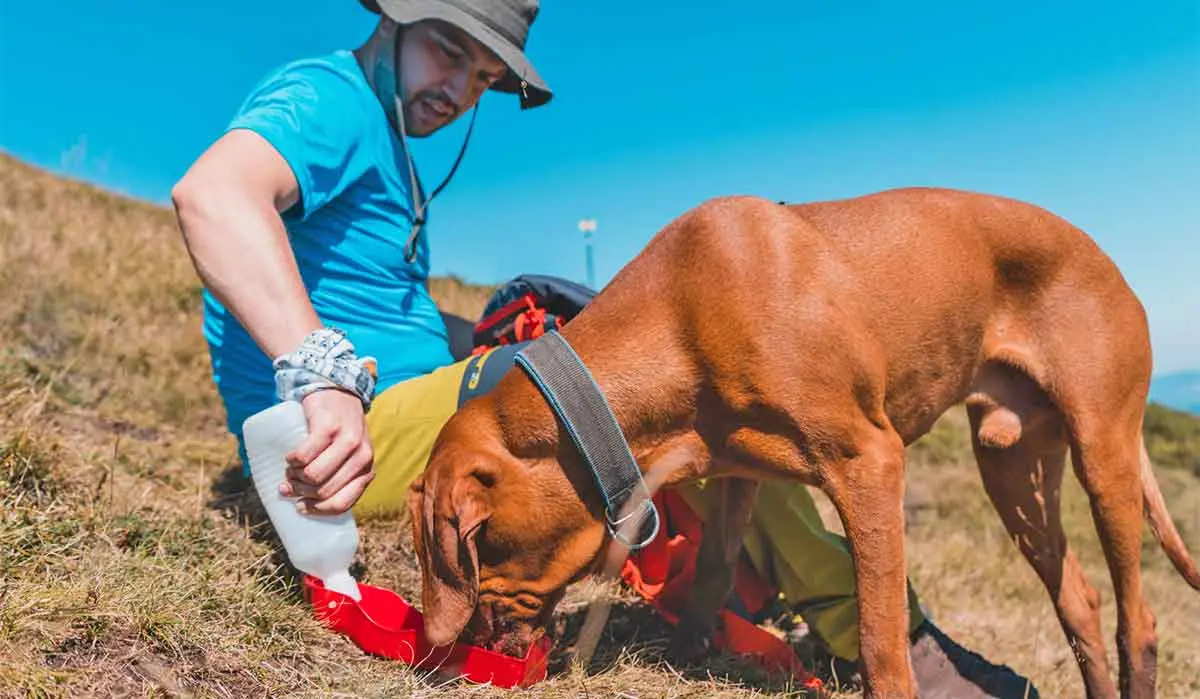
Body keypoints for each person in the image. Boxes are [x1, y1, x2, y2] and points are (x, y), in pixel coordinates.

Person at [170, 2, 1040, 696]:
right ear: (392, 19)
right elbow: (213, 194)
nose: (459, 89)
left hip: (405, 404)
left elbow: (379, 315)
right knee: (679, 390)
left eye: (482, 77)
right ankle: (889, 641)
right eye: (446, 49)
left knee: (636, 376)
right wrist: (319, 377)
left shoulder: (393, 140)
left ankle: (751, 589)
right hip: (338, 438)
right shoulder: (332, 100)